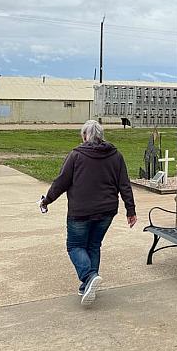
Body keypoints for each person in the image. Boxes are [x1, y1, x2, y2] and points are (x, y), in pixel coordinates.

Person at [40, 120, 137, 305]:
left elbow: (61, 182)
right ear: (101, 135)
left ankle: (89, 276)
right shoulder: (116, 155)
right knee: (93, 245)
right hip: (107, 211)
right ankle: (87, 286)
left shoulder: (76, 155)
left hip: (81, 212)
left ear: (85, 135)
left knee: (75, 246)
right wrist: (130, 210)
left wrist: (47, 200)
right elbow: (124, 185)